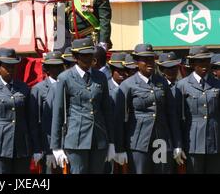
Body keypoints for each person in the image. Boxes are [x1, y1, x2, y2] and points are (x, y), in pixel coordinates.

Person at [115, 44, 185, 174]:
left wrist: (177, 143)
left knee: (162, 171)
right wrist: (120, 148)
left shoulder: (162, 82)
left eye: (151, 59)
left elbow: (171, 114)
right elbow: (120, 119)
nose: (149, 63)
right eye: (145, 60)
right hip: (138, 142)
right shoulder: (128, 85)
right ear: (137, 61)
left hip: (161, 140)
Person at [51, 38, 115, 174]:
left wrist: (111, 142)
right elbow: (59, 112)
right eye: (83, 55)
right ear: (75, 57)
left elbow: (107, 111)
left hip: (99, 138)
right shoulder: (65, 78)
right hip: (76, 139)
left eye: (90, 54)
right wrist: (56, 146)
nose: (87, 58)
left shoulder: (100, 77)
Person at [176, 46, 220, 173]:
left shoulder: (217, 84)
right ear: (193, 63)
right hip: (193, 141)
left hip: (215, 141)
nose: (204, 64)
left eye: (206, 60)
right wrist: (178, 144)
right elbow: (177, 117)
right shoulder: (182, 85)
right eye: (200, 61)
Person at [30, 52, 65, 174]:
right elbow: (34, 121)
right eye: (54, 66)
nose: (58, 69)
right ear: (46, 69)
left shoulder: (67, 85)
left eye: (60, 66)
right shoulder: (38, 89)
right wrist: (39, 148)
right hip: (48, 144)